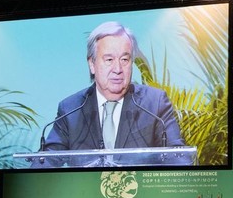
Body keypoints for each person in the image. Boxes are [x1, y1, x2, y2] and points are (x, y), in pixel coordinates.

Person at [38, 21, 184, 167]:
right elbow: (46, 162)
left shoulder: (154, 104)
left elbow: (178, 157)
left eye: (124, 59)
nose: (118, 69)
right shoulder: (70, 110)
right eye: (109, 60)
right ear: (92, 64)